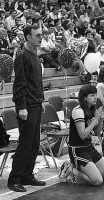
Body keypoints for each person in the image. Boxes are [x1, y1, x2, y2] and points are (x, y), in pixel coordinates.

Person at [8, 25, 45, 192]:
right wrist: (21, 107)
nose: (40, 37)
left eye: (41, 35)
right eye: (37, 35)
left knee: (34, 143)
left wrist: (41, 100)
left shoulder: (34, 55)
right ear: (28, 37)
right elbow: (19, 85)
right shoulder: (22, 56)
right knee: (25, 143)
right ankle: (14, 178)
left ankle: (27, 175)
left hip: (36, 104)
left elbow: (36, 82)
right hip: (27, 107)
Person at [59, 85, 104, 185]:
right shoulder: (78, 111)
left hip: (89, 147)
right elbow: (82, 135)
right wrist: (96, 119)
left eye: (96, 95)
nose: (96, 97)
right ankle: (70, 168)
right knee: (97, 181)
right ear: (84, 98)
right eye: (92, 95)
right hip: (78, 150)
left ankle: (83, 168)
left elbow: (96, 133)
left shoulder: (92, 109)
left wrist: (101, 119)